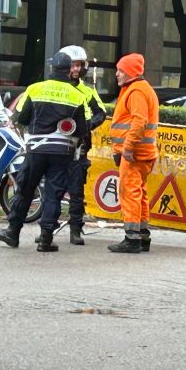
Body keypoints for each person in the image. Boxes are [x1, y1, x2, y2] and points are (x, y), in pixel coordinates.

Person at [0, 52, 89, 252]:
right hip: (62, 152)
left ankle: (12, 232)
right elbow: (83, 129)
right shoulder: (77, 96)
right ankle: (46, 239)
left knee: (25, 190)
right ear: (68, 70)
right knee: (54, 194)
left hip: (36, 149)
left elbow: (22, 118)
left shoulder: (35, 89)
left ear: (52, 68)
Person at [108, 53, 159, 254]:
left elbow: (139, 121)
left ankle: (132, 239)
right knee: (140, 194)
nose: (117, 74)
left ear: (130, 72)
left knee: (130, 193)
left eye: (121, 70)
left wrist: (127, 148)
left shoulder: (136, 91)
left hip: (134, 154)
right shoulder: (141, 89)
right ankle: (142, 235)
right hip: (143, 153)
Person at [56, 45, 106, 246]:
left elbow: (101, 113)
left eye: (78, 65)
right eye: (72, 65)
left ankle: (75, 230)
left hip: (79, 146)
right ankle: (47, 229)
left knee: (76, 191)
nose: (75, 69)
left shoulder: (87, 91)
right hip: (56, 144)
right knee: (54, 189)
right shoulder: (54, 87)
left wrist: (87, 126)